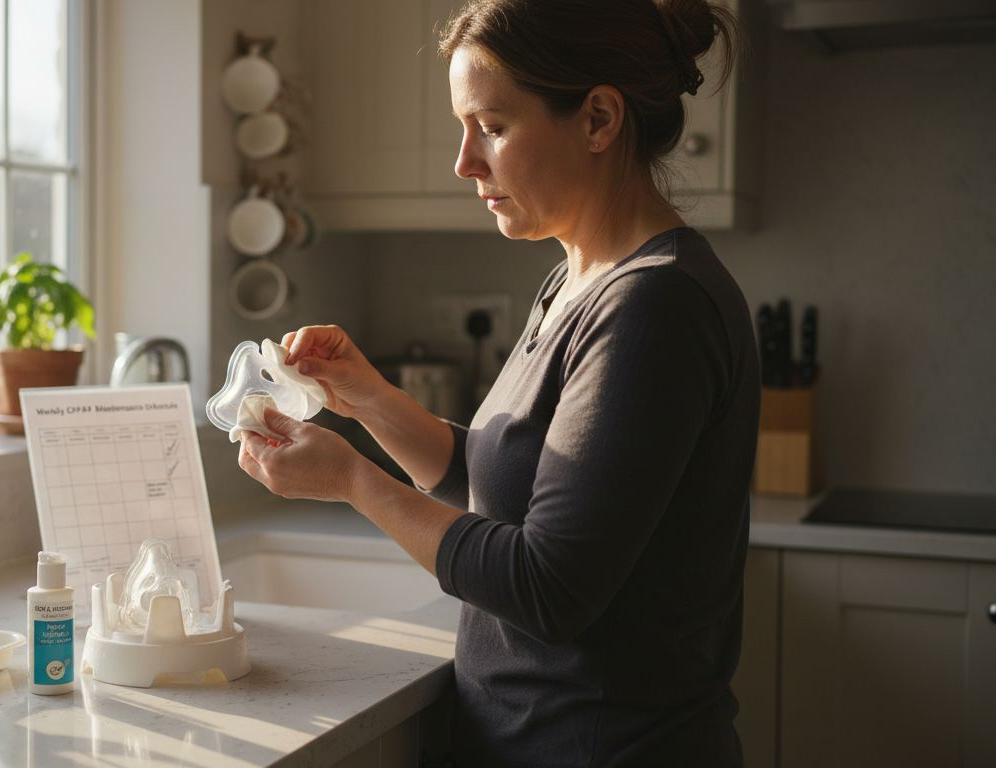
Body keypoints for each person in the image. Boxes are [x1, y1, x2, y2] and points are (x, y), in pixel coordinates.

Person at [236, 0, 758, 764]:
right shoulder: (576, 279)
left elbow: (549, 586)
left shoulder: (656, 306)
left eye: (494, 126)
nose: (464, 161)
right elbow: (503, 485)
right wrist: (371, 402)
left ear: (599, 119)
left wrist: (351, 479)